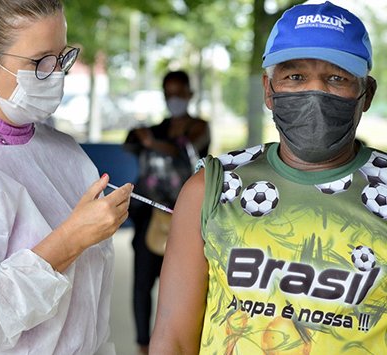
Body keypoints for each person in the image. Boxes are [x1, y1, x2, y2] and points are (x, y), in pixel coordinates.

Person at [150, 2, 387, 354]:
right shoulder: (212, 189)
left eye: (337, 78)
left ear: (366, 94)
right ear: (267, 89)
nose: (315, 93)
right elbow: (174, 339)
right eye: (295, 77)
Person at [0, 1, 132, 354]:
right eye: (40, 62)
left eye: (61, 58)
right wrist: (70, 240)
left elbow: (89, 305)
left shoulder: (67, 153)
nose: (56, 75)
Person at [124, 70, 210, 353]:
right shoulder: (157, 128)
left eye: (179, 93)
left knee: (185, 287)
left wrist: (151, 143)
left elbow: (184, 150)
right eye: (169, 93)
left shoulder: (199, 127)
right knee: (142, 284)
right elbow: (130, 144)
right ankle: (143, 345)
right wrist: (139, 136)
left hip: (185, 218)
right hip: (151, 216)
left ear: (190, 94)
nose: (174, 99)